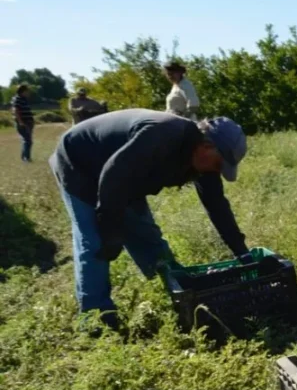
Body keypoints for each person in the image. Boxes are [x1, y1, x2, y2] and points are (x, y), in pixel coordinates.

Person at [48, 108, 250, 331]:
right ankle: (96, 319)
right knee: (95, 242)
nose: (217, 171)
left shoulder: (201, 160)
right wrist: (111, 229)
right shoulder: (161, 135)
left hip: (122, 175)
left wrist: (242, 252)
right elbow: (114, 174)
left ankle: (181, 291)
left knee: (148, 236)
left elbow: (217, 205)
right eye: (219, 164)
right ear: (206, 146)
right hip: (80, 162)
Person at [10, 83, 34, 162]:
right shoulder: (17, 99)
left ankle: (25, 157)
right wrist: (20, 122)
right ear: (23, 91)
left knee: (27, 140)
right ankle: (26, 158)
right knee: (27, 140)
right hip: (23, 123)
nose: (29, 92)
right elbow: (16, 111)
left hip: (28, 122)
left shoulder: (24, 99)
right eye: (27, 91)